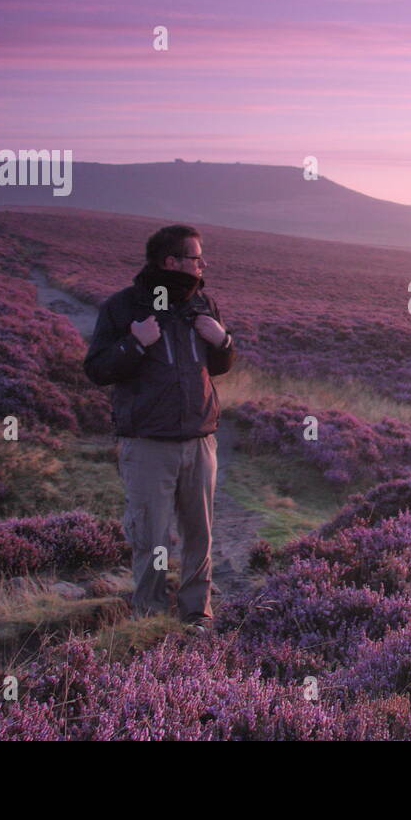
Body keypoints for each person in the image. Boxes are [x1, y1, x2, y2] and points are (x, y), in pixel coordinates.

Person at [82, 224, 235, 635]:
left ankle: (196, 615)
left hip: (200, 440)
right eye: (196, 257)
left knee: (199, 534)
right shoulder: (123, 308)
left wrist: (222, 341)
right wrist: (135, 343)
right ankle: (147, 619)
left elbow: (218, 366)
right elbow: (97, 369)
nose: (203, 264)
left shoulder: (203, 304)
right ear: (171, 262)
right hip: (148, 444)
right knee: (151, 537)